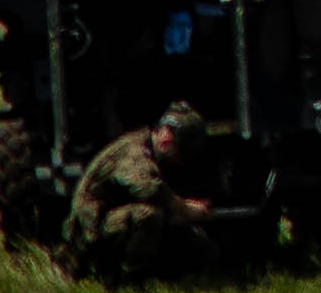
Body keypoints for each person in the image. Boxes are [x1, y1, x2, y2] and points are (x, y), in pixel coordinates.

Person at [65, 103, 222, 280]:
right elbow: (147, 188)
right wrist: (184, 208)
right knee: (147, 215)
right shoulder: (133, 150)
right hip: (91, 230)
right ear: (166, 139)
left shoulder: (151, 150)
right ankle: (123, 279)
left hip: (115, 221)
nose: (179, 161)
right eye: (181, 152)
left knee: (200, 245)